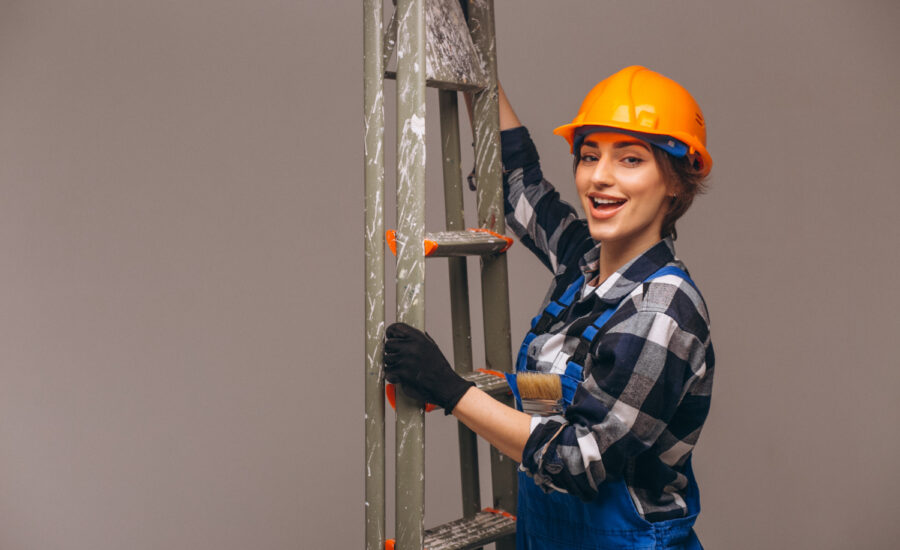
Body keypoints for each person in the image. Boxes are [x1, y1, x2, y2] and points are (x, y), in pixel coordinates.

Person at [384, 65, 714, 549]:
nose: (599, 177)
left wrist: (452, 390)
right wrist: (475, 55)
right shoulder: (584, 265)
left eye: (629, 160)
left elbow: (583, 459)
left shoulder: (662, 311)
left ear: (676, 183)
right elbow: (518, 178)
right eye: (588, 155)